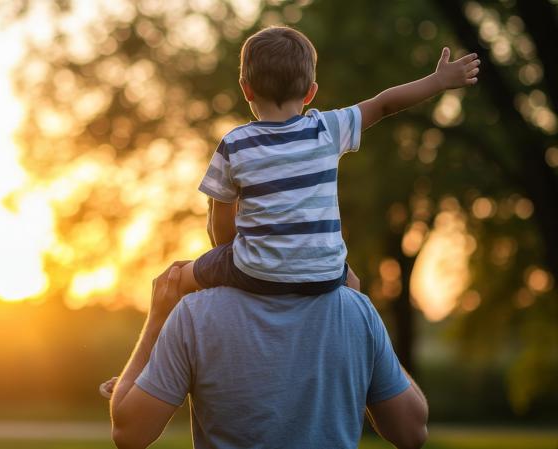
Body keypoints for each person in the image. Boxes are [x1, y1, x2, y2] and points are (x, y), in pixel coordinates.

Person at [177, 25, 480, 296]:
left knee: (176, 278)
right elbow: (385, 104)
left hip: (256, 274)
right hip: (325, 276)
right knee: (356, 286)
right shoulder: (327, 129)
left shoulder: (234, 143)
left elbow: (221, 225)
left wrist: (232, 260)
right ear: (311, 93)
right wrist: (439, 80)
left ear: (246, 89)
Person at [108, 263, 429, 449]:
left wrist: (157, 321)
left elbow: (129, 433)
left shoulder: (195, 315)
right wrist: (364, 319)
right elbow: (412, 431)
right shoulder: (356, 310)